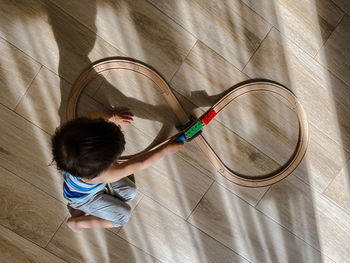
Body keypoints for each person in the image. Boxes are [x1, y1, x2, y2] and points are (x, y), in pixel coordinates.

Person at [51, 110, 184, 232]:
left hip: (83, 185)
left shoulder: (72, 142)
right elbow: (139, 163)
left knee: (130, 193)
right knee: (123, 216)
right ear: (106, 165)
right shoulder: (105, 174)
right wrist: (165, 149)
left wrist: (112, 117)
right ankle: (78, 222)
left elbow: (92, 116)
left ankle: (82, 209)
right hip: (85, 199)